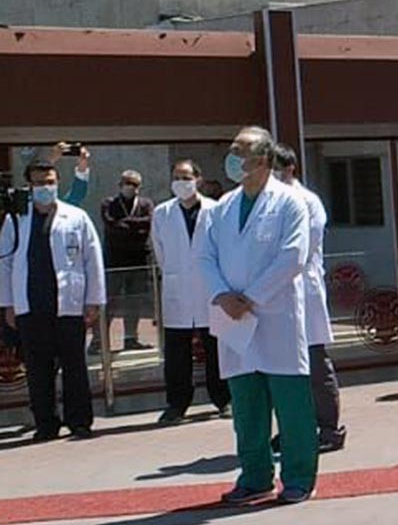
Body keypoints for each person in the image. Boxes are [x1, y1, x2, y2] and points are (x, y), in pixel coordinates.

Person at [197, 127, 317, 505]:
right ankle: (254, 476)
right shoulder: (222, 207)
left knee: (291, 403)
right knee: (246, 406)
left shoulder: (289, 203)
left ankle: (298, 478)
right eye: (232, 149)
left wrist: (250, 297)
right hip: (233, 318)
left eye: (240, 150)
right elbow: (203, 256)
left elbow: (293, 256)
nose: (232, 157)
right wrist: (222, 295)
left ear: (263, 160)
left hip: (275, 315)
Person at [0, 160, 105, 441]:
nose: (45, 187)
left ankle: (79, 421)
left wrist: (93, 300)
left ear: (57, 182)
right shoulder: (16, 219)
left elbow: (92, 259)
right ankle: (46, 424)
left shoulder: (76, 216)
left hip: (69, 303)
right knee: (38, 369)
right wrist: (8, 304)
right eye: (38, 183)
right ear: (28, 186)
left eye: (49, 181)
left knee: (75, 366)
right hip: (31, 304)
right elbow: (6, 263)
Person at [273, 145, 346, 453]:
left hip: (305, 288)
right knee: (286, 367)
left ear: (289, 168)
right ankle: (295, 428)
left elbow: (305, 244)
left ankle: (329, 428)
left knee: (315, 362)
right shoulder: (270, 202)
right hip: (277, 293)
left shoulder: (308, 201)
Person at [150, 158, 230, 424]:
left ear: (198, 179)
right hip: (177, 288)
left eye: (186, 177)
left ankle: (223, 399)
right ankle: (177, 404)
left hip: (210, 288)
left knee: (216, 348)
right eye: (176, 177)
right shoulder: (162, 212)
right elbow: (159, 250)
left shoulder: (215, 209)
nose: (180, 182)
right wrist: (174, 273)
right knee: (176, 352)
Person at [100, 168, 154, 351]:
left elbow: (148, 223)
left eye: (134, 184)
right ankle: (98, 341)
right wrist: (133, 226)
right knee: (110, 301)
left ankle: (131, 339)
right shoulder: (109, 203)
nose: (130, 187)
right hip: (115, 261)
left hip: (138, 259)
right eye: (126, 183)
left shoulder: (146, 203)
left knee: (134, 302)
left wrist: (125, 223)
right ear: (120, 185)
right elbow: (111, 225)